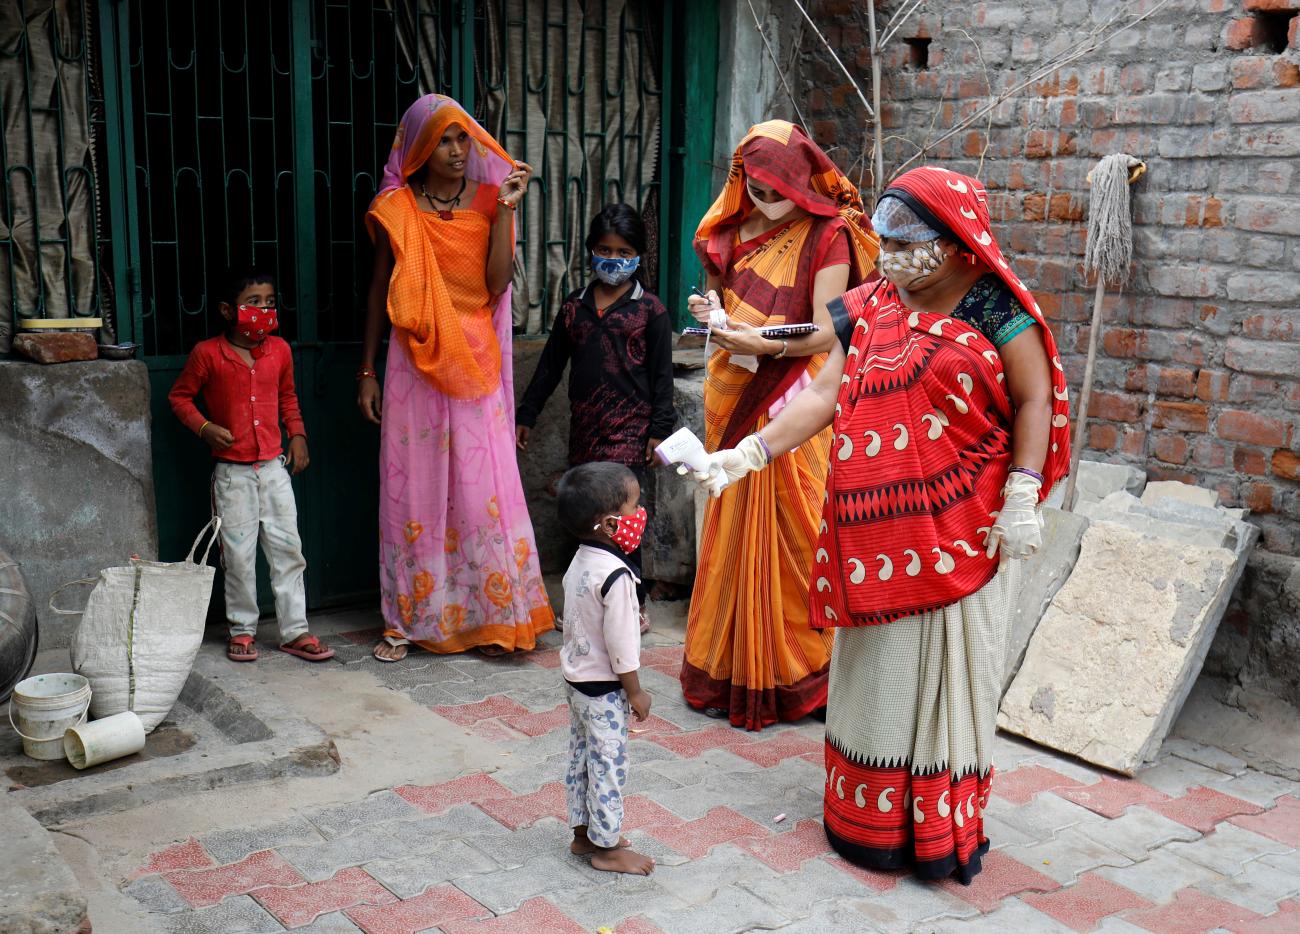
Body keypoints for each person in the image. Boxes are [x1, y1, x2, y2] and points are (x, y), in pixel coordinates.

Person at [690, 166, 1072, 884]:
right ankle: (862, 823)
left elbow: (1034, 400)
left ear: (956, 244)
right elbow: (826, 392)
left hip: (965, 527)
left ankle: (934, 829)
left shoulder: (997, 309)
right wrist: (749, 452)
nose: (888, 255)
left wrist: (1024, 490)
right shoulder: (869, 306)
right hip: (872, 532)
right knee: (875, 675)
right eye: (884, 240)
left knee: (951, 678)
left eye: (905, 242)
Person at [680, 120, 879, 731]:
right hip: (733, 385)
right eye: (755, 187)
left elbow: (827, 330)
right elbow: (719, 298)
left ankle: (798, 677)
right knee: (731, 522)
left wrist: (759, 339)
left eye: (777, 188)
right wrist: (710, 311)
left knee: (797, 528)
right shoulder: (731, 230)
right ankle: (727, 668)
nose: (765, 200)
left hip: (798, 393)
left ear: (800, 180)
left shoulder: (828, 236)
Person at [358, 94, 554, 661]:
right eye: (443, 139)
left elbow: (495, 286)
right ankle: (411, 618)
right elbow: (379, 289)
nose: (456, 150)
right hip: (411, 359)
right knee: (413, 484)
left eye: (463, 138)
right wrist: (366, 369)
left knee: (479, 487)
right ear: (419, 146)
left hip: (473, 356)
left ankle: (491, 613)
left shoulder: (493, 200)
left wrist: (510, 211)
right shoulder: (397, 207)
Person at [515, 203, 677, 631]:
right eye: (604, 249)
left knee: (623, 521)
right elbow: (549, 367)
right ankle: (586, 600)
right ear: (590, 251)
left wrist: (658, 432)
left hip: (630, 434)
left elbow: (662, 378)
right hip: (585, 433)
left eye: (623, 251)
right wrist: (526, 413)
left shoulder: (652, 312)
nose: (613, 258)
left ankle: (633, 603)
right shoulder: (574, 308)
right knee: (585, 520)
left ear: (639, 256)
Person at [169, 268, 334, 664]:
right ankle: (242, 630)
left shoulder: (280, 351)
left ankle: (295, 631)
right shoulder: (208, 354)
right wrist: (204, 428)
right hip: (233, 474)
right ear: (228, 310)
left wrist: (298, 435)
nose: (264, 309)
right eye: (253, 303)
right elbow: (180, 397)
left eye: (270, 302)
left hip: (273, 469)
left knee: (287, 549)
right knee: (238, 555)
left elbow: (289, 398)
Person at [555, 461, 655, 876]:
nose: (641, 514)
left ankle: (583, 833)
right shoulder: (617, 576)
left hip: (576, 681)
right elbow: (622, 645)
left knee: (581, 757)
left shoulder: (581, 560)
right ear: (611, 525)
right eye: (634, 506)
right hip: (605, 688)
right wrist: (635, 692)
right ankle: (606, 846)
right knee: (609, 764)